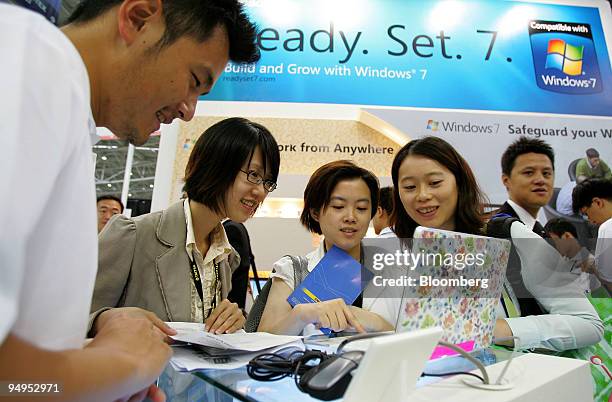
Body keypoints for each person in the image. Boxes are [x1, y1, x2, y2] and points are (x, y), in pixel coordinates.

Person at [0, 0, 259, 400]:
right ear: (138, 18)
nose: (189, 110)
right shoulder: (29, 61)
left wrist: (99, 366)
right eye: (194, 79)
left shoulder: (67, 110)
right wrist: (121, 365)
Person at [389, 137, 602, 351]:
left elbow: (587, 324)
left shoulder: (507, 235)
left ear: (459, 183)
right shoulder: (397, 255)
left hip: (513, 379)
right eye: (409, 187)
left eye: (435, 183)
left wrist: (499, 329)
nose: (423, 195)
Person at [91, 118, 280, 335]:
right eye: (254, 175)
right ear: (215, 164)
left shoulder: (225, 256)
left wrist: (231, 322)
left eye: (268, 182)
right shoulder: (133, 235)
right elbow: (72, 320)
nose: (261, 192)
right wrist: (108, 320)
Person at [489, 137, 603, 351]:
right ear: (506, 180)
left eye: (546, 173)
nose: (540, 180)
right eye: (528, 172)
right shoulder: (497, 230)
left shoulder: (542, 230)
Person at [258, 161, 394, 335]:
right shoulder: (292, 270)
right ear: (315, 212)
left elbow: (415, 333)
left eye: (361, 208)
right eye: (338, 206)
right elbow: (264, 339)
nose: (351, 217)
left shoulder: (393, 267)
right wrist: (302, 314)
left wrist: (371, 320)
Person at [572, 178, 612, 292]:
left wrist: (591, 265)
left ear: (598, 202)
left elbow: (608, 283)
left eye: (586, 214)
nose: (590, 221)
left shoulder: (607, 228)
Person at [544, 218, 600, 293]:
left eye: (554, 242)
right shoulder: (561, 263)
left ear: (567, 236)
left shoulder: (593, 266)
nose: (552, 247)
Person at [223, 219, 256, 309]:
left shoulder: (231, 228)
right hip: (238, 296)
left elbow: (230, 269)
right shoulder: (239, 226)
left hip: (230, 298)